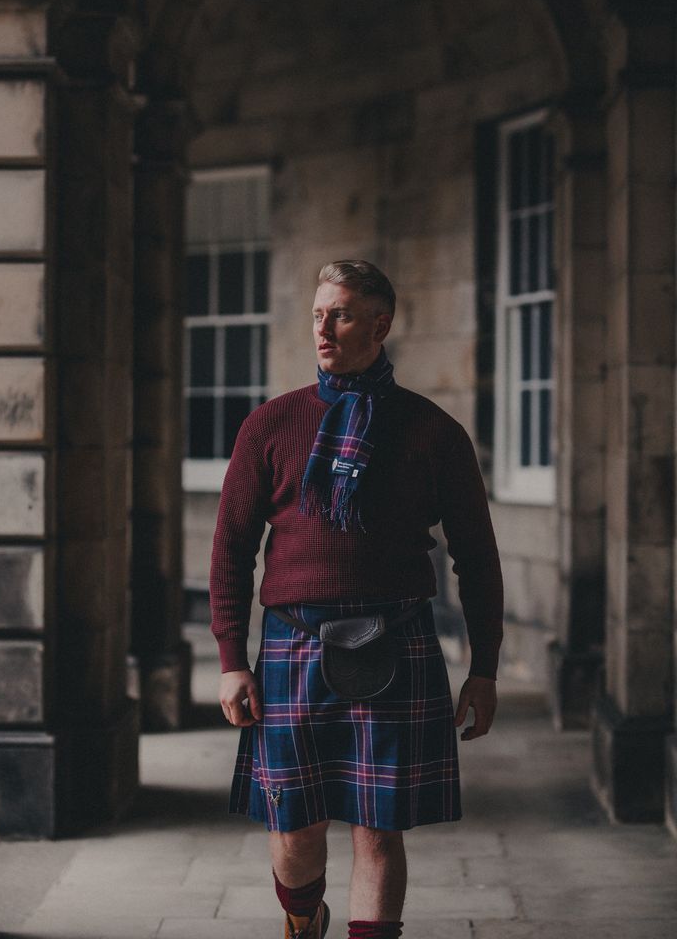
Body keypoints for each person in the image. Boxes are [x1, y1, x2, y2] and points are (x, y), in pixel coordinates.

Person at [209, 260, 503, 939]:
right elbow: (229, 549)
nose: (324, 327)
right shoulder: (271, 426)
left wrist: (484, 667)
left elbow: (478, 558)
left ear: (380, 324)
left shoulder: (433, 432)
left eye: (339, 313)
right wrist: (231, 656)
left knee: (378, 832)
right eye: (318, 313)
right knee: (296, 827)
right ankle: (303, 919)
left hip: (396, 640)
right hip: (292, 641)